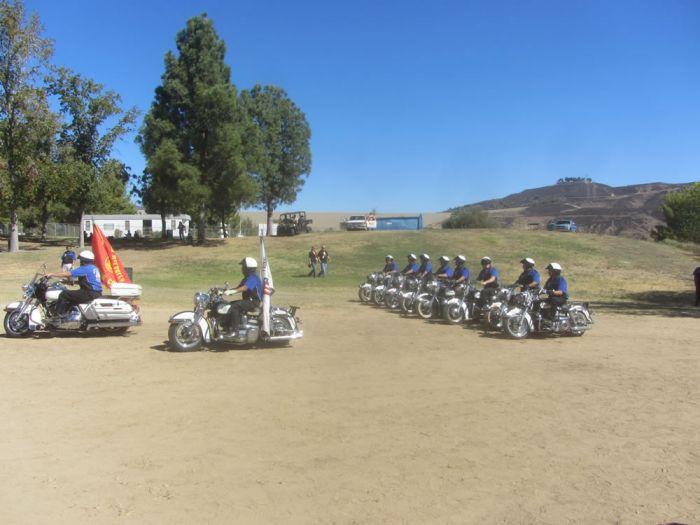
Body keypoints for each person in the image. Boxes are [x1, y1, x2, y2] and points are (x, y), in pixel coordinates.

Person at [47, 250, 103, 318]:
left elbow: (68, 273)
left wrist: (52, 274)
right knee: (71, 297)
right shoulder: (94, 268)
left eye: (81, 260)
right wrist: (71, 282)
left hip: (89, 293)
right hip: (96, 292)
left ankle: (57, 316)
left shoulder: (85, 268)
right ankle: (68, 316)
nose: (80, 261)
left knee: (64, 294)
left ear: (83, 260)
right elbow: (90, 281)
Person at [224, 257, 263, 331]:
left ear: (248, 268)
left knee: (234, 306)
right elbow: (238, 288)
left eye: (243, 267)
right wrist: (225, 291)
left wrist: (233, 292)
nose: (242, 269)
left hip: (254, 302)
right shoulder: (247, 278)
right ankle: (229, 326)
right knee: (229, 304)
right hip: (248, 301)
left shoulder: (253, 277)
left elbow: (245, 288)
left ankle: (235, 330)